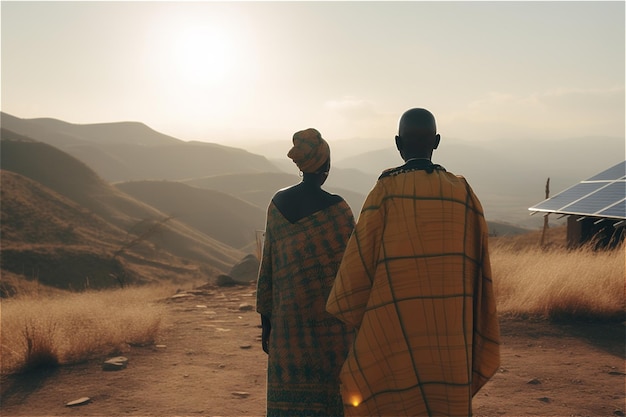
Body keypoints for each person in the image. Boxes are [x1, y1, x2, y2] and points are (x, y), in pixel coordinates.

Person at [326, 108, 501, 416]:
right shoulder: (463, 193)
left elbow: (358, 267)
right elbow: (478, 265)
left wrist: (351, 312)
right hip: (452, 331)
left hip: (394, 327)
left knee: (389, 395)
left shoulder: (385, 191)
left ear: (397, 143)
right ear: (436, 142)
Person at [256, 128, 356, 417]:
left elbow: (269, 267)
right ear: (325, 166)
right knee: (331, 401)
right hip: (332, 332)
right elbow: (354, 270)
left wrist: (267, 323)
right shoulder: (338, 210)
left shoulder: (277, 204)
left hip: (287, 328)